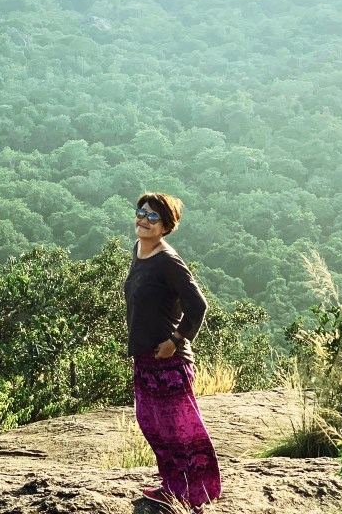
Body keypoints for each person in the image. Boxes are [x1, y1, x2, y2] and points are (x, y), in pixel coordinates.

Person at [123, 192, 221, 514]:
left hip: (168, 362)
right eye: (141, 212)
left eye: (153, 217)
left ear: (166, 226)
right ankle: (173, 487)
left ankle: (197, 496)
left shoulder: (168, 261)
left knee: (179, 432)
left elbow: (199, 305)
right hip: (145, 359)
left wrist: (177, 340)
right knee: (153, 426)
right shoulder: (139, 250)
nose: (143, 220)